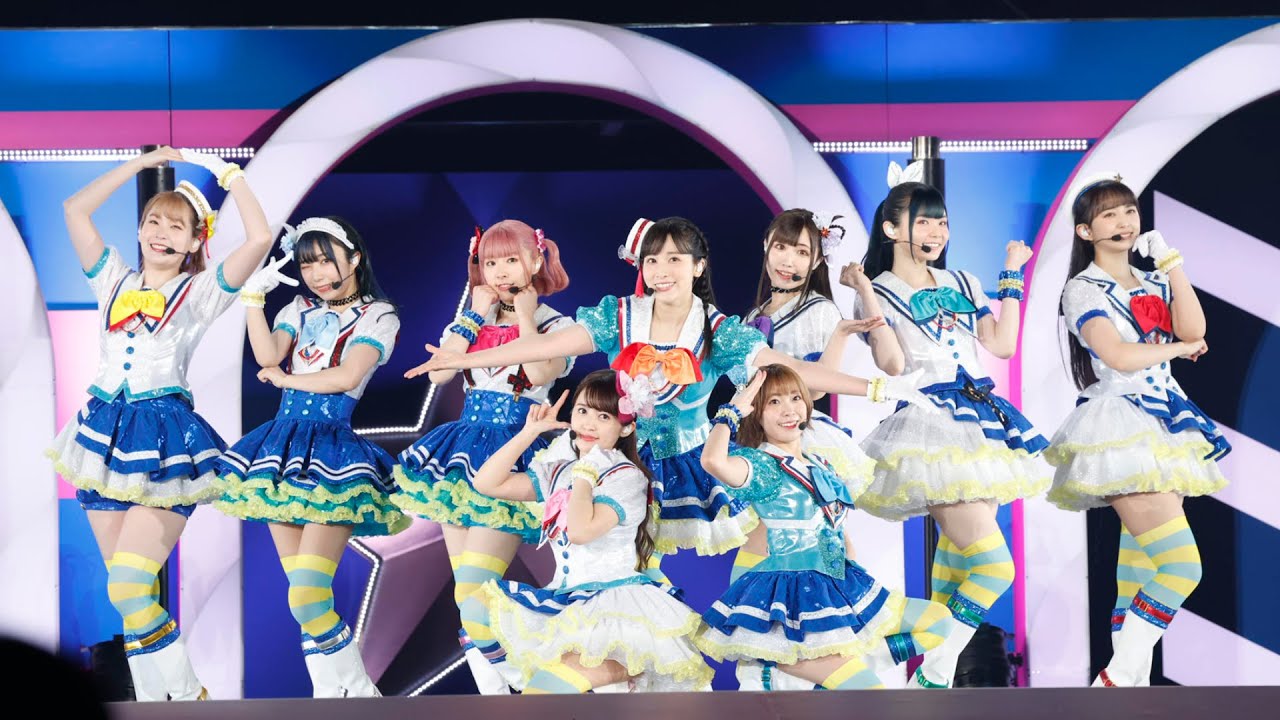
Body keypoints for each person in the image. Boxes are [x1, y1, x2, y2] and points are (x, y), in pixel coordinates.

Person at [47, 146, 272, 701]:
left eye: (177, 227)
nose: (162, 234)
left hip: (165, 441)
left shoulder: (200, 292)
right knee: (131, 598)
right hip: (102, 438)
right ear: (140, 230)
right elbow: (75, 210)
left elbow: (260, 238)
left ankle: (191, 696)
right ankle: (155, 704)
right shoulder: (112, 279)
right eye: (154, 222)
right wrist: (137, 167)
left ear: (195, 242)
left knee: (128, 585)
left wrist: (229, 175)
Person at [846, 161, 1049, 688]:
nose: (937, 232)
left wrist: (1011, 274)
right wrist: (865, 291)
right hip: (931, 422)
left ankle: (914, 678)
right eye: (925, 221)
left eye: (942, 222)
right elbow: (893, 365)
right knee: (994, 568)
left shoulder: (963, 280)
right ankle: (919, 669)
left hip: (980, 419)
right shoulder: (879, 289)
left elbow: (1001, 344)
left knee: (956, 571)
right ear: (892, 229)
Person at [1046, 172, 1227, 687]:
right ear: (1085, 231)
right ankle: (1118, 677)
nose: (1124, 221)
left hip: (1164, 422)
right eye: (1109, 214)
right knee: (1180, 567)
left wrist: (1171, 264)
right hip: (1121, 423)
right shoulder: (1082, 289)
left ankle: (1129, 691)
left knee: (1140, 569)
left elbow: (1195, 329)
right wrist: (1178, 349)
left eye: (1129, 210)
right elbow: (1118, 355)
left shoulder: (1152, 282)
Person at [215, 216, 406, 697]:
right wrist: (253, 300)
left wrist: (287, 380)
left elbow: (347, 376)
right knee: (306, 598)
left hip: (333, 454)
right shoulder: (297, 309)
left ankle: (362, 694)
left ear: (354, 258)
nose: (316, 274)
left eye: (325, 261)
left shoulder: (379, 315)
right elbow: (267, 356)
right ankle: (330, 698)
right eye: (307, 265)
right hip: (282, 452)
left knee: (305, 595)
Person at [391, 220, 573, 694]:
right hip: (461, 455)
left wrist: (527, 317)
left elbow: (539, 371)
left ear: (536, 260)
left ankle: (525, 684)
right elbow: (438, 374)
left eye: (511, 260)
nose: (501, 271)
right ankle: (499, 696)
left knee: (474, 590)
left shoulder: (558, 325)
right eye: (490, 262)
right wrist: (473, 315)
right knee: (469, 595)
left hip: (513, 452)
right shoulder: (475, 323)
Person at [469, 369, 714, 694]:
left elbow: (581, 531)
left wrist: (585, 472)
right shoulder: (562, 470)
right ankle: (522, 680)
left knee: (543, 695)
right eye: (583, 411)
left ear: (626, 427)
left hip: (614, 609)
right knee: (474, 608)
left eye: (603, 416)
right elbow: (487, 483)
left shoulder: (626, 476)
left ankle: (624, 676)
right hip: (568, 600)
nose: (588, 424)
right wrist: (530, 432)